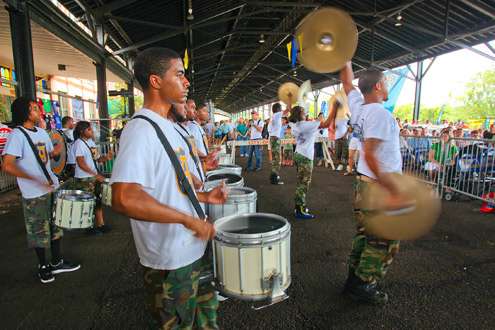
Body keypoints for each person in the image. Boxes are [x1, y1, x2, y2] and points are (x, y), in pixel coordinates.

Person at [110, 47, 228, 329]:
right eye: (179, 74)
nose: (186, 82)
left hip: (192, 249)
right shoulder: (141, 130)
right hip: (170, 260)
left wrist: (202, 196)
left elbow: (168, 186)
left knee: (206, 318)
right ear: (155, 81)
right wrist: (187, 219)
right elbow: (124, 198)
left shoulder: (169, 127)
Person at [341, 61, 403, 305]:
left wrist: (344, 58)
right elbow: (369, 153)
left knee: (365, 236)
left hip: (363, 185)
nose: (387, 86)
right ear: (378, 86)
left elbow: (347, 83)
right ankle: (365, 285)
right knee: (384, 240)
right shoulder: (379, 113)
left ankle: (354, 281)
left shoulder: (359, 107)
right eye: (386, 82)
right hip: (377, 188)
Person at [2, 97, 80, 284]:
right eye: (35, 108)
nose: (39, 111)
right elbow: (7, 165)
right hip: (34, 193)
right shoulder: (17, 135)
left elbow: (49, 155)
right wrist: (32, 178)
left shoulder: (42, 133)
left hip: (51, 186)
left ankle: (56, 261)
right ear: (25, 112)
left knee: (55, 226)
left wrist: (58, 150)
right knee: (38, 231)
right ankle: (43, 266)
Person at [288, 103, 336, 219]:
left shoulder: (294, 124)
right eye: (304, 112)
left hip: (299, 154)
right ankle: (300, 210)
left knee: (300, 182)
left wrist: (290, 102)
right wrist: (334, 109)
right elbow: (326, 124)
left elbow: (291, 111)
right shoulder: (305, 125)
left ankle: (299, 207)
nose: (306, 114)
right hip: (305, 156)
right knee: (304, 184)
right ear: (299, 114)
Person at [72, 121, 113, 235]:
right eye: (89, 129)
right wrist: (96, 175)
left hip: (93, 177)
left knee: (98, 201)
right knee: (87, 203)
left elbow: (98, 159)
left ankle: (101, 224)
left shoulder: (91, 142)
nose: (92, 131)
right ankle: (88, 227)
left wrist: (107, 157)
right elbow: (81, 163)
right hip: (84, 179)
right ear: (82, 131)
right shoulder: (78, 144)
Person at [268, 103, 290, 184]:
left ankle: (273, 177)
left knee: (275, 159)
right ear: (278, 109)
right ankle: (274, 179)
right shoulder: (277, 115)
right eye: (281, 108)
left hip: (273, 138)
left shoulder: (274, 116)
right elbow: (288, 110)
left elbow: (287, 112)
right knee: (277, 159)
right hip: (275, 138)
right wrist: (290, 99)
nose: (281, 109)